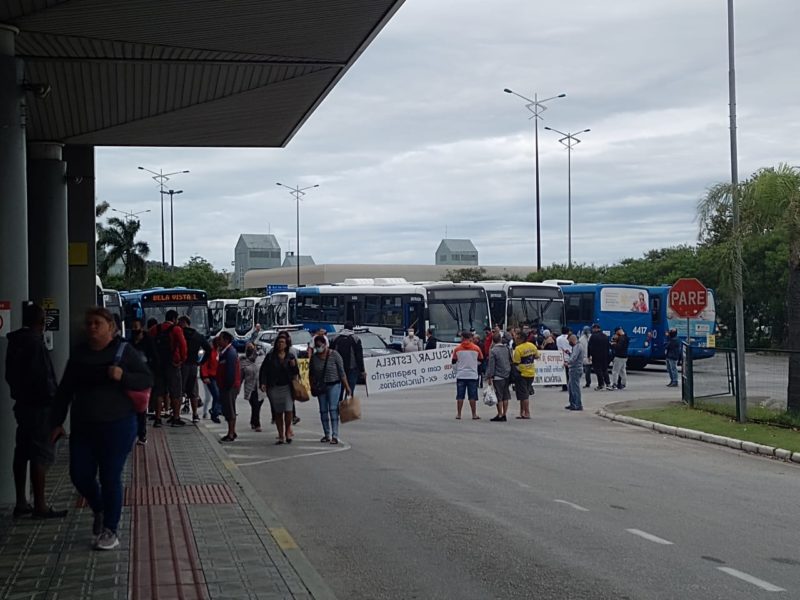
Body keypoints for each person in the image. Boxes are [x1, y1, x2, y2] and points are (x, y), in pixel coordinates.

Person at [50, 307, 152, 550]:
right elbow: (64, 391)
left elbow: (147, 379)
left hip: (118, 425)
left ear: (111, 327)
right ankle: (100, 507)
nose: (92, 327)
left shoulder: (124, 351)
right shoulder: (79, 354)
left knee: (110, 476)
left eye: (97, 323)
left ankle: (111, 529)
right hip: (84, 425)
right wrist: (55, 422)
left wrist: (123, 376)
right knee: (79, 474)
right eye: (89, 323)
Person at [5, 302, 66, 519]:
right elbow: (44, 378)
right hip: (40, 407)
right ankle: (40, 504)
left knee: (21, 451)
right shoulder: (35, 344)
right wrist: (56, 405)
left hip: (21, 405)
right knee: (40, 454)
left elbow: (9, 376)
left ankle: (21, 501)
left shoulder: (15, 342)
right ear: (41, 322)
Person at [148, 309, 187, 427]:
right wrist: (181, 360)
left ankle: (158, 418)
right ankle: (175, 417)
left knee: (159, 392)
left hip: (159, 365)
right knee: (176, 392)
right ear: (174, 319)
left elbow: (148, 343)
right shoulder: (176, 329)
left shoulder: (155, 329)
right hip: (172, 364)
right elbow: (183, 346)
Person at [309, 335, 351, 444]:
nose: (319, 348)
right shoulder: (314, 358)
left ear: (325, 344)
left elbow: (342, 373)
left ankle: (335, 435)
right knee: (323, 410)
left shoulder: (335, 355)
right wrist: (312, 385)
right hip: (320, 386)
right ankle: (326, 434)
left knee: (333, 409)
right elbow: (311, 374)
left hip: (334, 385)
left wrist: (347, 387)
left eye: (320, 345)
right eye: (317, 346)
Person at [259, 335, 299, 444]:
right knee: (278, 412)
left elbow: (296, 372)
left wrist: (293, 366)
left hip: (287, 387)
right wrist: (263, 383)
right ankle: (281, 435)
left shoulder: (290, 356)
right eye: (279, 342)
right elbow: (264, 370)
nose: (281, 344)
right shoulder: (271, 356)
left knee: (288, 410)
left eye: (283, 342)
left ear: (286, 344)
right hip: (274, 387)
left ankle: (287, 432)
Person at [177, 316, 211, 423]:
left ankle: (176, 415)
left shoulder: (179, 334)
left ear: (183, 322)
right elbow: (208, 349)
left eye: (179, 322)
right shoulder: (198, 336)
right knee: (193, 390)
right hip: (193, 365)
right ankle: (195, 414)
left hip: (181, 365)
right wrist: (200, 362)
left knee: (178, 391)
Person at [129, 319, 156, 445]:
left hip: (144, 379)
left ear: (142, 328)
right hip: (130, 377)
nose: (134, 329)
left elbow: (155, 358)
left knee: (141, 407)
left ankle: (142, 434)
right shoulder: (129, 342)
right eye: (132, 327)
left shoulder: (149, 341)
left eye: (136, 327)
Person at [451, 330, 484, 420]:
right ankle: (474, 414)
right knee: (472, 396)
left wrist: (457, 370)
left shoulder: (457, 349)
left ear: (462, 338)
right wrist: (474, 364)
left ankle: (459, 414)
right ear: (470, 338)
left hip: (461, 374)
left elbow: (453, 361)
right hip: (472, 374)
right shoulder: (476, 348)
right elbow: (481, 360)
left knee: (460, 396)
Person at [330, 321, 365, 400]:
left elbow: (330, 353)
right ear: (352, 328)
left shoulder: (335, 338)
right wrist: (362, 370)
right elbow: (359, 356)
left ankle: (338, 405)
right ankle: (348, 406)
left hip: (337, 368)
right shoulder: (356, 339)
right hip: (352, 368)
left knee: (339, 388)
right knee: (350, 389)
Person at [216, 331, 241, 443]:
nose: (218, 341)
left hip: (229, 386)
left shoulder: (230, 353)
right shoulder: (224, 352)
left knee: (229, 409)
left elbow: (230, 372)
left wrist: (227, 385)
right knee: (228, 409)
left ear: (226, 340)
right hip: (225, 385)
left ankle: (231, 433)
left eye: (220, 339)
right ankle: (232, 431)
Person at [512, 331, 539, 419]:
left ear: (521, 339)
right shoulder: (532, 345)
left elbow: (516, 362)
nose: (515, 339)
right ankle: (522, 412)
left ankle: (527, 412)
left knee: (524, 395)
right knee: (523, 393)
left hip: (522, 373)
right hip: (531, 372)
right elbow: (537, 356)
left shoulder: (518, 349)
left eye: (516, 338)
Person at [485, 332, 512, 422]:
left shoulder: (493, 351)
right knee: (506, 395)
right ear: (500, 339)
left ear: (493, 340)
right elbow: (510, 360)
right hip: (507, 375)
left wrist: (489, 377)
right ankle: (504, 414)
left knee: (499, 396)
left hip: (498, 376)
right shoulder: (507, 349)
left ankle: (500, 414)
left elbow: (491, 365)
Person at [200, 337, 222, 422]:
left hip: (217, 376)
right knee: (216, 395)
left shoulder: (219, 352)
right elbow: (204, 364)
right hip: (210, 376)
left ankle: (215, 410)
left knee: (218, 395)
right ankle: (214, 412)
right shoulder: (210, 352)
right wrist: (205, 376)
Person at [588, 324, 611, 390]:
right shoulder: (605, 336)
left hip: (596, 356)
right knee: (604, 369)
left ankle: (601, 384)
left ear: (595, 329)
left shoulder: (593, 336)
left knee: (598, 370)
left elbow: (590, 347)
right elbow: (608, 346)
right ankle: (608, 383)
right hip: (604, 356)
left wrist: (589, 355)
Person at [564, 334, 584, 410]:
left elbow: (574, 357)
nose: (569, 342)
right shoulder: (577, 347)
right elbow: (574, 356)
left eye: (569, 341)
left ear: (572, 340)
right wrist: (569, 353)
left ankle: (578, 404)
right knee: (570, 387)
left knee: (575, 387)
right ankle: (573, 403)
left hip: (575, 369)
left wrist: (568, 362)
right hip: (575, 368)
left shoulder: (577, 347)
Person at [610, 325, 629, 390]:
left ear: (618, 331)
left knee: (615, 371)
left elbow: (619, 347)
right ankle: (623, 383)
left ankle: (614, 384)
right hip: (625, 356)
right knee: (623, 371)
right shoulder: (626, 337)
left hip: (619, 356)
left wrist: (613, 344)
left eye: (616, 332)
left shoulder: (621, 338)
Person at [556, 326, 571, 392]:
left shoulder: (558, 338)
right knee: (569, 373)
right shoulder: (569, 338)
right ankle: (570, 385)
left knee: (563, 373)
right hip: (569, 356)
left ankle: (564, 386)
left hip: (561, 357)